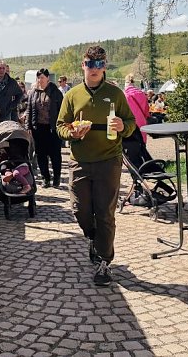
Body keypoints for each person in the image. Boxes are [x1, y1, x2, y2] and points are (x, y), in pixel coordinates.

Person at [57, 45, 136, 286]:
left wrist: (124, 126)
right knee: (79, 209)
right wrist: (72, 133)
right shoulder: (72, 95)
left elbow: (131, 123)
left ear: (105, 67)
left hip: (108, 160)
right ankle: (92, 236)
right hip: (80, 160)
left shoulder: (116, 94)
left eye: (100, 64)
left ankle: (104, 262)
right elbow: (60, 126)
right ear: (83, 66)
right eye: (90, 64)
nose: (95, 69)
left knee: (105, 212)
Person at [25, 68, 64, 188]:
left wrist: (61, 125)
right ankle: (45, 178)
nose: (40, 80)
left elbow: (62, 110)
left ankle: (56, 177)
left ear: (47, 78)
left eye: (42, 77)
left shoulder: (55, 92)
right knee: (40, 154)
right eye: (38, 78)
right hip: (38, 128)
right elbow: (29, 110)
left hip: (52, 128)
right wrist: (29, 125)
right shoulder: (33, 92)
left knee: (54, 154)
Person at [123, 73, 150, 143]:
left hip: (128, 121)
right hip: (141, 120)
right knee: (142, 143)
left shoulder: (124, 95)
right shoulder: (141, 93)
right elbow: (146, 109)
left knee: (130, 143)